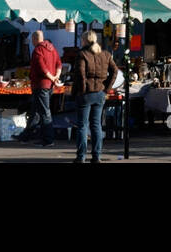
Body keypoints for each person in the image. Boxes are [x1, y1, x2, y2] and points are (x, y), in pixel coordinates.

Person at [72, 30, 117, 163]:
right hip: (100, 93)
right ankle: (96, 156)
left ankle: (81, 157)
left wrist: (82, 90)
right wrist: (107, 89)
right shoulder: (106, 54)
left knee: (82, 125)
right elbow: (115, 71)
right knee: (96, 125)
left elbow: (80, 74)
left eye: (82, 39)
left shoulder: (82, 54)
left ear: (85, 40)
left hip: (86, 94)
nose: (81, 41)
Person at [28, 30, 63, 146]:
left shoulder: (37, 50)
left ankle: (48, 140)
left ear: (34, 39)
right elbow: (59, 63)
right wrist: (56, 76)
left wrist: (52, 77)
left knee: (44, 112)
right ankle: (27, 136)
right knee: (37, 111)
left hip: (41, 85)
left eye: (32, 40)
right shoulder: (52, 48)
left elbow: (42, 68)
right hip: (50, 85)